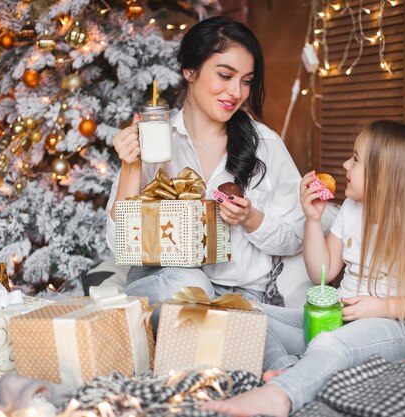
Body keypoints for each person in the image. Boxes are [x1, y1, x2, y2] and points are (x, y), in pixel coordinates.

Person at [205, 120, 405, 417]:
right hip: (339, 319)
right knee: (253, 315)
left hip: (396, 326)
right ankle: (289, 373)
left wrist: (380, 307)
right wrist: (313, 220)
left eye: (356, 159)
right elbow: (322, 272)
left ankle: (280, 397)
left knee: (329, 342)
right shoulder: (351, 209)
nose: (345, 164)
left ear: (386, 174)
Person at [105, 16, 304, 307]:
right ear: (190, 70)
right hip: (165, 285)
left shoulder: (265, 145)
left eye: (246, 81)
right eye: (225, 75)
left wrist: (250, 219)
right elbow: (118, 243)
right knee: (192, 285)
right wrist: (131, 167)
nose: (237, 93)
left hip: (242, 295)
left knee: (241, 325)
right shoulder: (155, 140)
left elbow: (296, 238)